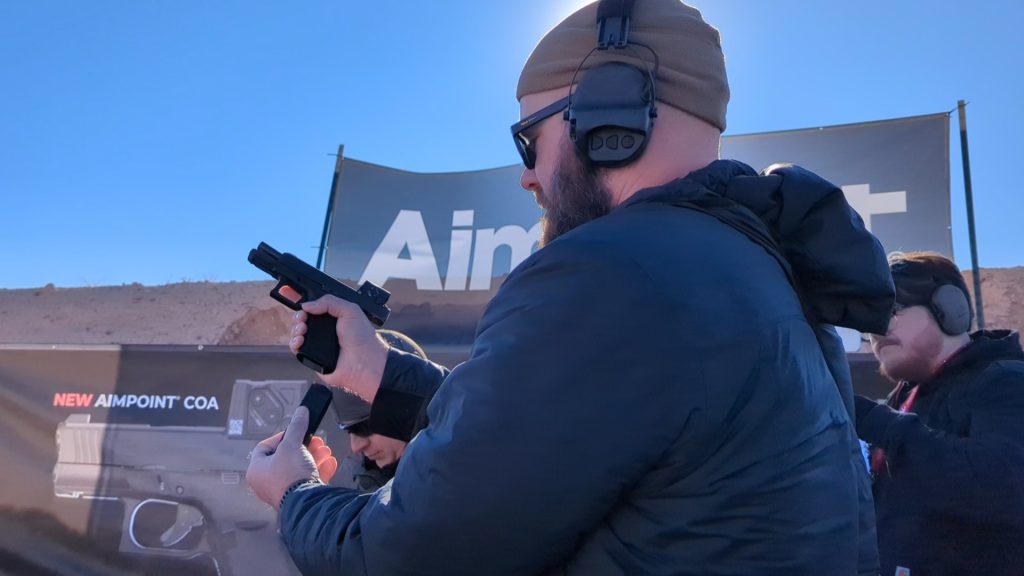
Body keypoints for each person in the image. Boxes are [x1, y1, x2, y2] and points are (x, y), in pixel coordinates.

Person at [246, 1, 895, 574]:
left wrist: (295, 495)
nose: (527, 177)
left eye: (530, 141)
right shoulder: (756, 271)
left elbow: (404, 555)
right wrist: (378, 371)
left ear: (609, 115)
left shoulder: (610, 272)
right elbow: (555, 435)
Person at [855, 251, 1024, 575]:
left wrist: (880, 424)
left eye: (891, 311)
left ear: (949, 308)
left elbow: (1006, 487)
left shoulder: (1007, 381)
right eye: (869, 320)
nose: (876, 331)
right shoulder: (903, 399)